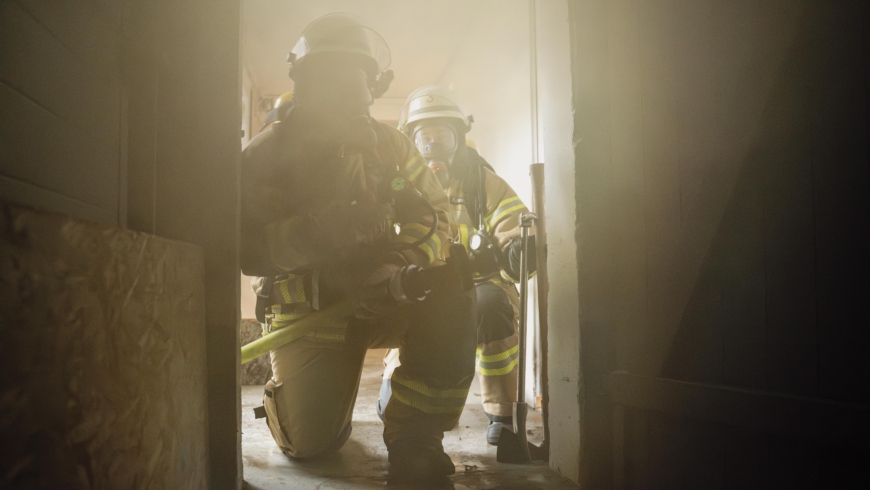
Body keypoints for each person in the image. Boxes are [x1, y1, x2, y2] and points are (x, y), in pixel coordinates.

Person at [240, 14, 476, 481]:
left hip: (387, 294)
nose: (350, 93)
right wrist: (315, 233)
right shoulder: (268, 155)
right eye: (334, 77)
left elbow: (436, 216)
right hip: (313, 310)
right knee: (312, 447)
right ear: (305, 83)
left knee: (452, 289)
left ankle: (415, 436)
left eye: (359, 79)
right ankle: (299, 402)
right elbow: (245, 249)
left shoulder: (391, 148)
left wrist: (398, 263)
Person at [385, 85, 536, 446]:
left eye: (443, 136)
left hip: (478, 283)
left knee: (494, 308)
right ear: (411, 143)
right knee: (411, 323)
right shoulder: (398, 185)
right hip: (419, 282)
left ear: (460, 139)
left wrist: (516, 248)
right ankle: (398, 407)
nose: (433, 146)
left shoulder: (482, 183)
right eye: (424, 138)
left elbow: (510, 221)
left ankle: (502, 418)